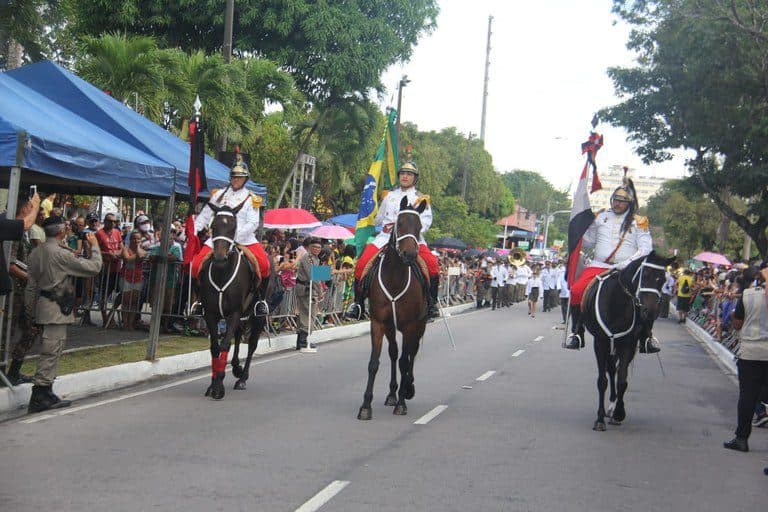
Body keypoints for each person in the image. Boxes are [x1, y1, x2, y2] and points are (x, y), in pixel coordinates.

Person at [565, 175, 657, 353]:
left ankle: (647, 337)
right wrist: (578, 230)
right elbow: (590, 242)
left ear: (629, 203)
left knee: (648, 298)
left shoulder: (639, 222)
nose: (617, 204)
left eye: (622, 201)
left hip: (628, 269)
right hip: (599, 266)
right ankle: (577, 331)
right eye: (615, 199)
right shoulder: (600, 216)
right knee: (576, 290)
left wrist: (628, 263)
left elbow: (646, 248)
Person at [24, 215, 103, 413]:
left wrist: (29, 312)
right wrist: (94, 246)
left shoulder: (37, 252)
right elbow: (94, 267)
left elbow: (31, 287)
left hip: (43, 305)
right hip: (55, 308)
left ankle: (46, 391)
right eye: (66, 227)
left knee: (52, 349)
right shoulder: (59, 253)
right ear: (61, 231)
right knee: (51, 351)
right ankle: (41, 393)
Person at [346, 161, 440, 320]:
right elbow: (380, 218)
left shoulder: (420, 198)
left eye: (409, 174)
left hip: (411, 237)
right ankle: (358, 304)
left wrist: (409, 231)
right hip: (386, 237)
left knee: (432, 264)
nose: (405, 176)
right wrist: (368, 216)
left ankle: (431, 304)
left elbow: (425, 222)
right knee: (362, 262)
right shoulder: (389, 196)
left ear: (414, 178)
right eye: (402, 173)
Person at [191, 160, 270, 316]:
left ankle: (260, 301)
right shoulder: (218, 195)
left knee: (264, 265)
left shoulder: (251, 198)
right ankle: (200, 300)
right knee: (196, 266)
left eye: (239, 177)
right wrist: (193, 231)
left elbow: (253, 223)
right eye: (234, 177)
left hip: (243, 238)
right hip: (218, 237)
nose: (236, 180)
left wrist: (234, 237)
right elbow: (205, 216)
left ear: (245, 179)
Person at [723, 266, 768, 454]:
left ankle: (741, 439)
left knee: (747, 396)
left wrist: (733, 315)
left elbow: (738, 323)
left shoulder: (748, 295)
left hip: (751, 353)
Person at [0, 193, 42, 385]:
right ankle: (2, 371)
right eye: (30, 207)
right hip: (12, 293)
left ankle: (14, 370)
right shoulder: (13, 230)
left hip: (23, 292)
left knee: (31, 329)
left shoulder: (23, 232)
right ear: (23, 208)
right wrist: (29, 278)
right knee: (4, 334)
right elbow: (10, 264)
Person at [95, 212, 124, 327]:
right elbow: (95, 250)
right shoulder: (99, 233)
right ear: (105, 221)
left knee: (122, 292)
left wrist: (117, 253)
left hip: (117, 269)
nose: (112, 223)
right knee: (104, 295)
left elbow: (122, 248)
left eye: (114, 221)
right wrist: (108, 254)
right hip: (104, 269)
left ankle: (111, 314)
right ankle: (105, 318)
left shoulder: (117, 232)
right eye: (110, 221)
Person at [294, 237, 322, 350]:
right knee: (307, 314)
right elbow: (313, 276)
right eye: (314, 247)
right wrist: (320, 290)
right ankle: (303, 341)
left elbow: (318, 275)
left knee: (308, 314)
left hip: (311, 288)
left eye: (319, 247)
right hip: (305, 288)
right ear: (310, 247)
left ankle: (301, 340)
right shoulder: (307, 258)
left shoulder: (316, 259)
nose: (316, 249)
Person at [120, 231, 146, 331]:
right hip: (126, 277)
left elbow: (140, 255)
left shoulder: (142, 250)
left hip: (137, 278)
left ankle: (130, 324)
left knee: (134, 303)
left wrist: (138, 247)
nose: (136, 241)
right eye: (134, 238)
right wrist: (137, 257)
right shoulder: (125, 249)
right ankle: (125, 323)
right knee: (126, 302)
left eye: (138, 239)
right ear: (130, 239)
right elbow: (127, 258)